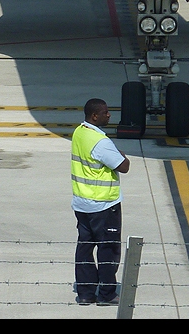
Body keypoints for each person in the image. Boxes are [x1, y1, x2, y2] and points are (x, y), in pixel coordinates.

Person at [71, 97, 131, 305]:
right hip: (104, 205)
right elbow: (124, 166)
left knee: (85, 248)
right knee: (109, 249)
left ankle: (86, 293)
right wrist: (121, 154)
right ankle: (106, 294)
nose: (109, 115)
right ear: (94, 116)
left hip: (82, 203)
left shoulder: (79, 132)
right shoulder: (101, 142)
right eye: (105, 112)